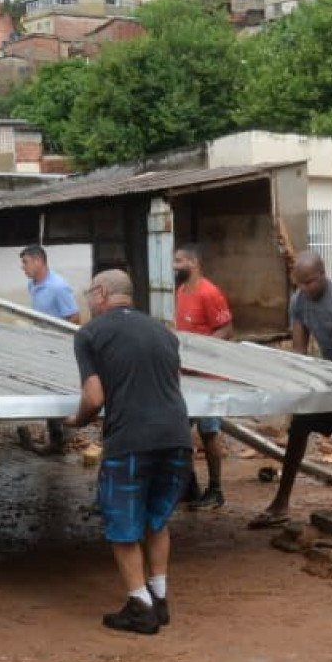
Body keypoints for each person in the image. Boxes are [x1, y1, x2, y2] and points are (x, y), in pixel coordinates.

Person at [66, 268, 192, 635]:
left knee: (122, 527)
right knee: (156, 521)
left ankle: (140, 607)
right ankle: (159, 597)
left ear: (102, 293)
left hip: (131, 441)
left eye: (89, 292)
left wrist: (77, 420)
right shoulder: (165, 334)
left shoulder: (90, 334)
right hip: (177, 437)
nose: (87, 300)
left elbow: (94, 397)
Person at [249, 250, 332, 532]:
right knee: (298, 432)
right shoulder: (299, 301)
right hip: (325, 373)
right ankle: (281, 503)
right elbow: (299, 350)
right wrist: (298, 384)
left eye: (309, 283)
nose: (304, 289)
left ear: (322, 276)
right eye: (299, 284)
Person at [172, 242, 233, 510]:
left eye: (180, 261)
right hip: (185, 375)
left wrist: (200, 351)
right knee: (180, 431)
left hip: (208, 377)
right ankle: (189, 486)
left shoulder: (209, 293)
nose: (175, 266)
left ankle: (216, 489)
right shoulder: (180, 291)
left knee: (209, 433)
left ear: (193, 264)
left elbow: (226, 330)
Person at [19, 244, 80, 456]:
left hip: (57, 348)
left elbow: (74, 318)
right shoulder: (33, 285)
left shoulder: (58, 287)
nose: (22, 267)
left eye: (25, 262)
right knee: (46, 389)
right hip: (40, 345)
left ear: (38, 261)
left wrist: (60, 343)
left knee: (58, 391)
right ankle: (56, 437)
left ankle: (61, 439)